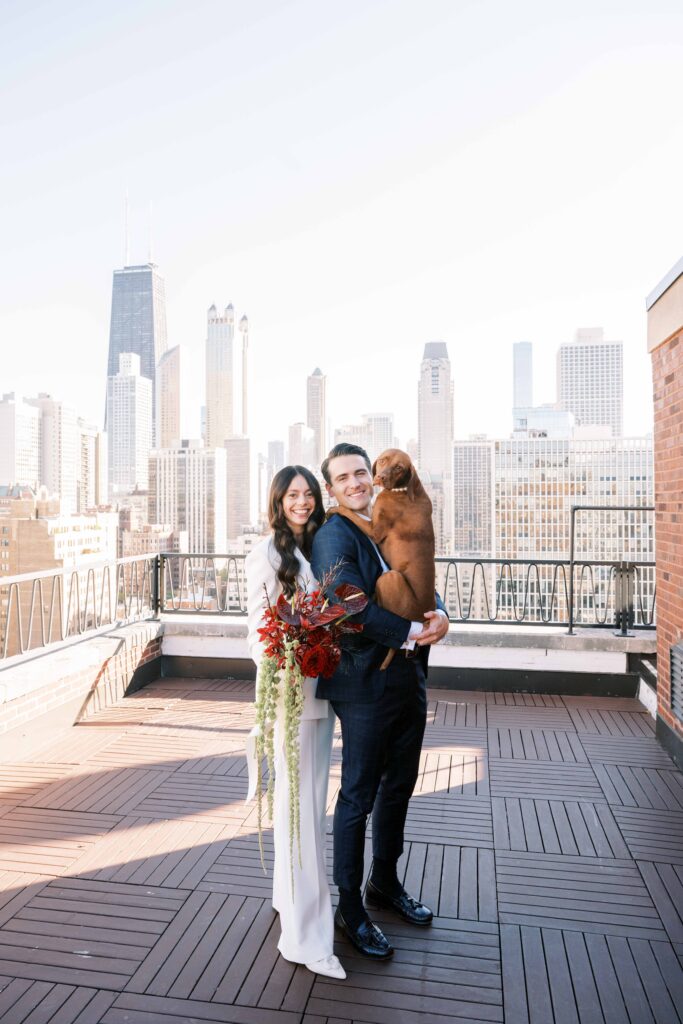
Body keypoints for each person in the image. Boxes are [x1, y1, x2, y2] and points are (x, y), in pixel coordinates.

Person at [311, 443, 449, 960]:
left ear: (373, 475)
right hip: (365, 683)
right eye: (342, 477)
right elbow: (347, 602)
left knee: (401, 786)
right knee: (358, 796)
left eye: (360, 472)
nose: (355, 483)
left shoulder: (389, 516)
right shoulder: (334, 534)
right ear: (331, 488)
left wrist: (439, 613)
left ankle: (384, 883)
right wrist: (413, 632)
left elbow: (417, 573)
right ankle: (350, 906)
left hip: (409, 677)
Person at [245, 465, 345, 980]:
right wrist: (282, 681)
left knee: (297, 803)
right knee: (302, 810)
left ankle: (288, 897)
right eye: (292, 495)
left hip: (318, 694)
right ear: (278, 501)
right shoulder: (267, 554)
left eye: (308, 494)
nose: (301, 502)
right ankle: (306, 938)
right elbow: (258, 632)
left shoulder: (319, 547)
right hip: (292, 697)